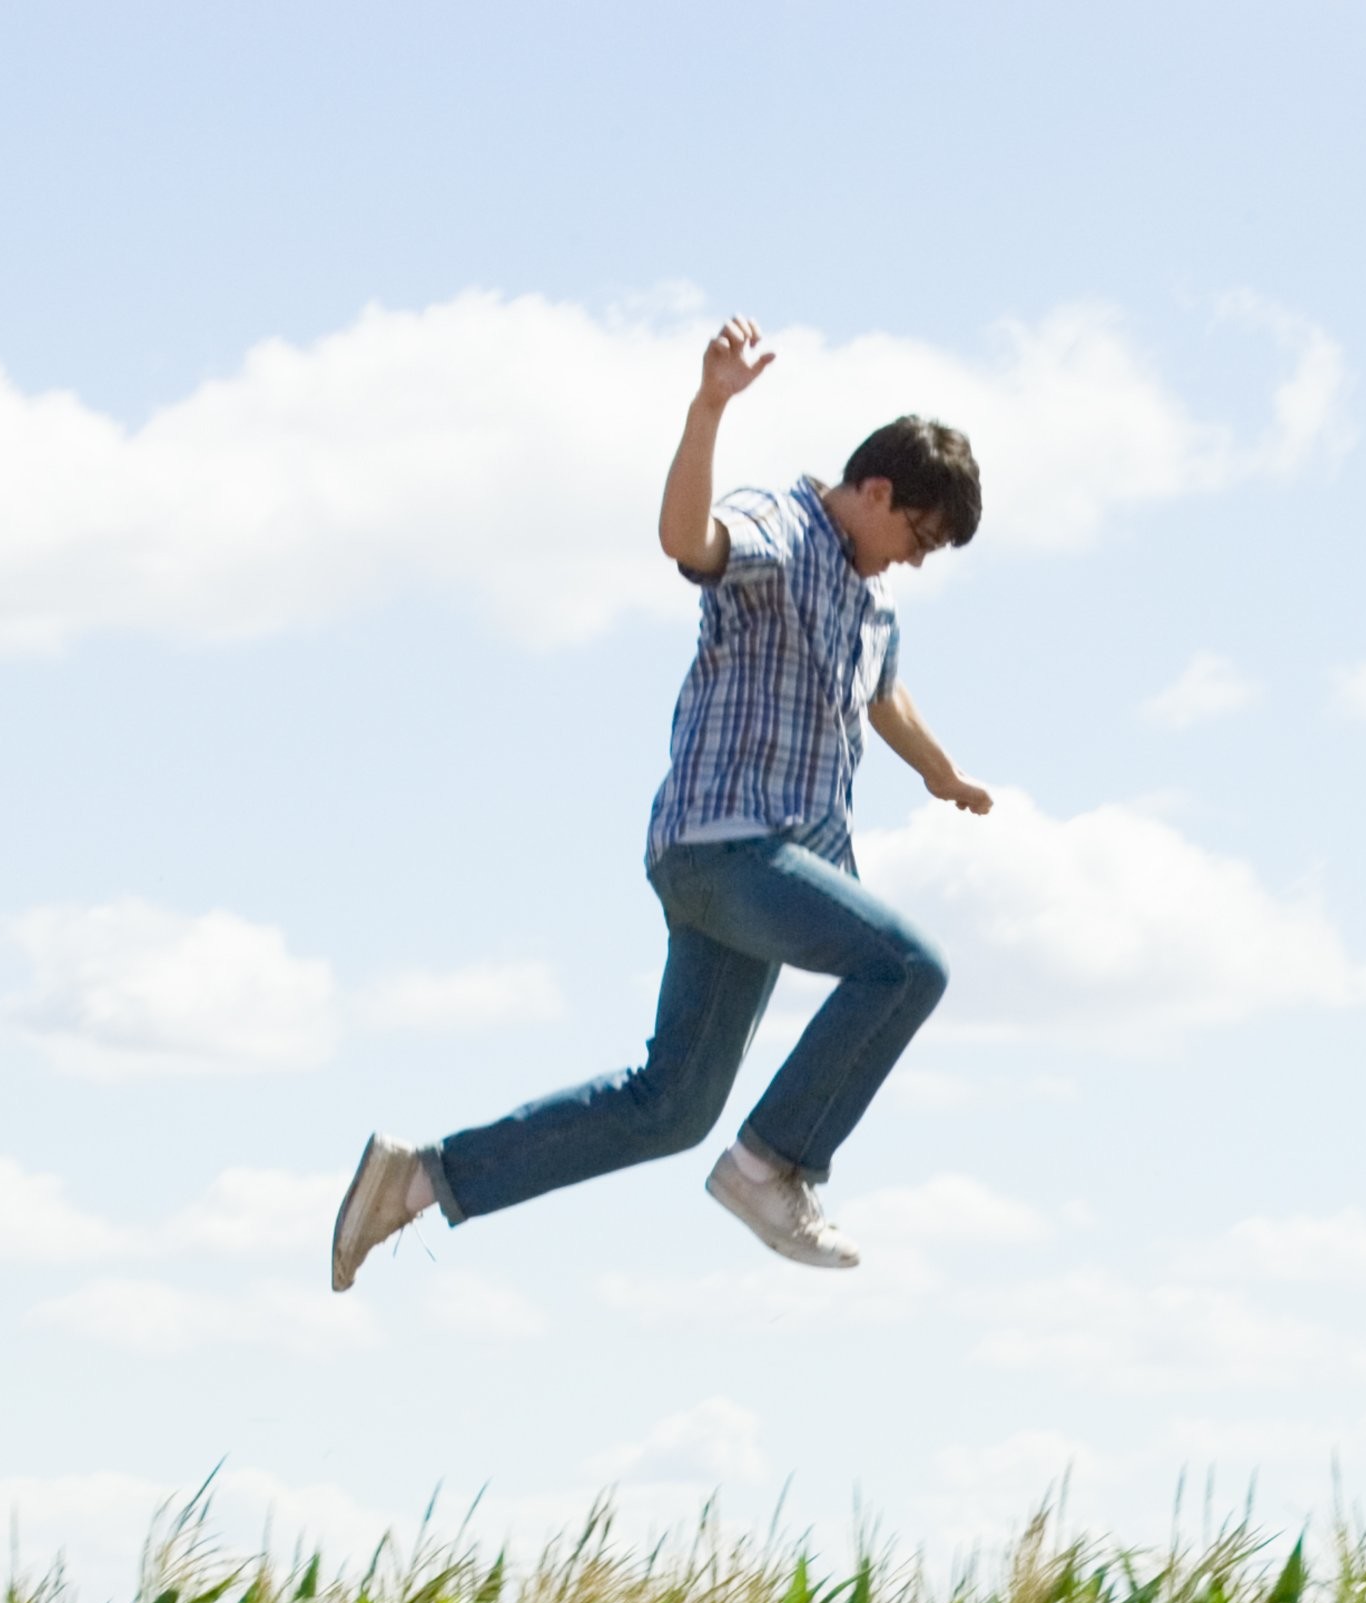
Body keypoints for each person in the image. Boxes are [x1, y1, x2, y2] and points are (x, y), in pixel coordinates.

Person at [329, 315, 992, 1288]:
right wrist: (708, 407)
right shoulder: (788, 526)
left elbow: (883, 688)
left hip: (764, 868)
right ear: (877, 490)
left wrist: (937, 769)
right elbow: (689, 539)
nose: (913, 559)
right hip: (727, 846)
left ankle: (419, 1179)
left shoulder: (868, 602)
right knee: (907, 968)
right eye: (917, 535)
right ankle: (775, 1164)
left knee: (673, 1106)